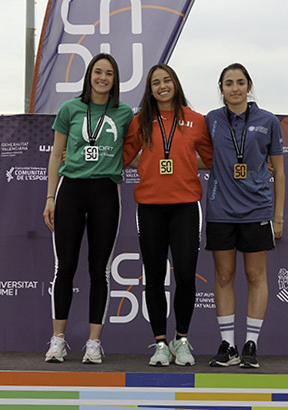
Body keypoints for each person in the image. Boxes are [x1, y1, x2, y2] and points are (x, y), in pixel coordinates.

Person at [42, 53, 134, 363]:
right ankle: (57, 340)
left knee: (99, 270)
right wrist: (50, 197)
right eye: (98, 72)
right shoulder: (70, 109)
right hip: (71, 190)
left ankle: (94, 343)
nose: (103, 78)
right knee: (65, 267)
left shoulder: (124, 114)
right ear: (89, 75)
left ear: (115, 79)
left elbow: (136, 150)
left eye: (109, 73)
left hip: (105, 192)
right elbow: (56, 154)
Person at [123, 64, 213, 367]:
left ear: (176, 83)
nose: (162, 86)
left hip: (186, 206)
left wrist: (254, 164)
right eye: (156, 83)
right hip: (150, 207)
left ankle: (182, 339)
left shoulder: (197, 121)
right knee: (155, 276)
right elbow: (120, 156)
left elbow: (215, 158)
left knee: (186, 275)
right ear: (149, 90)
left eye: (167, 80)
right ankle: (160, 343)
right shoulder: (139, 122)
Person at [205, 63, 285, 368]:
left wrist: (278, 217)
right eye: (228, 83)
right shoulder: (211, 120)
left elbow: (278, 170)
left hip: (257, 210)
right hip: (221, 211)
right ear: (221, 88)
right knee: (224, 276)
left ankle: (251, 344)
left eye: (240, 82)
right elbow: (201, 157)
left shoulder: (268, 121)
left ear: (248, 86)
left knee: (256, 276)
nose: (235, 88)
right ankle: (228, 345)